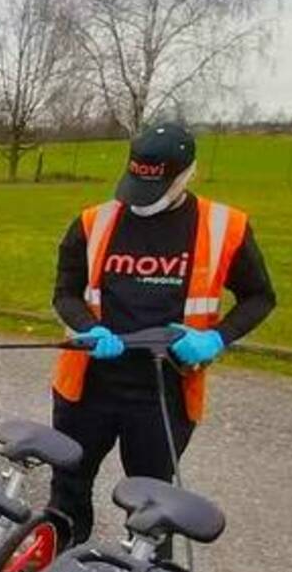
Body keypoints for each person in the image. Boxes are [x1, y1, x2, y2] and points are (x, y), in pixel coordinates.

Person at [50, 122, 276, 544]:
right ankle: (57, 554)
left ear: (187, 174)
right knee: (68, 483)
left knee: (153, 499)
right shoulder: (92, 223)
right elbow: (65, 293)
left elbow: (260, 298)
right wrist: (88, 328)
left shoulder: (225, 227)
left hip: (163, 391)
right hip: (88, 386)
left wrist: (216, 338)